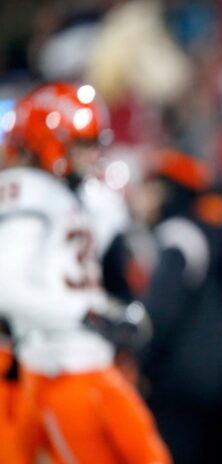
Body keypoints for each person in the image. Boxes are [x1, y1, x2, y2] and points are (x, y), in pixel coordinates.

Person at [0, 82, 170, 464]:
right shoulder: (27, 191)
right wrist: (88, 313)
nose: (92, 155)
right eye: (82, 144)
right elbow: (6, 288)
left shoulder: (76, 196)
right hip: (49, 366)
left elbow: (75, 275)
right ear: (50, 141)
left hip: (89, 363)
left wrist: (112, 312)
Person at [133, 149, 222, 464]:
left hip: (178, 386)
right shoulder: (220, 233)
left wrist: (144, 365)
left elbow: (160, 314)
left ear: (168, 191)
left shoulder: (178, 235)